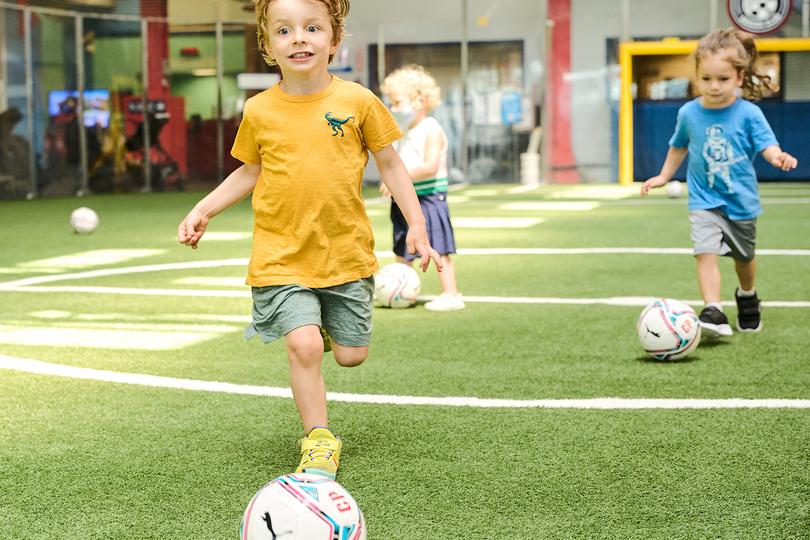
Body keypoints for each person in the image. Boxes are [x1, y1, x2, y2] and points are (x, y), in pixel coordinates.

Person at [177, 0, 442, 480]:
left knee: (350, 355)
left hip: (345, 254)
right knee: (303, 347)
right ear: (268, 46)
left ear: (334, 40)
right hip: (280, 256)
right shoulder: (259, 110)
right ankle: (318, 439)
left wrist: (417, 224)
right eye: (284, 30)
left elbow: (391, 164)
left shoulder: (359, 101)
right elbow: (249, 171)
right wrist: (204, 208)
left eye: (312, 28)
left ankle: (320, 326)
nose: (299, 38)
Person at [640, 27, 797, 339]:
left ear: (739, 78)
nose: (714, 86)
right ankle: (714, 310)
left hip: (741, 202)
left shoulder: (749, 113)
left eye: (723, 79)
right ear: (697, 75)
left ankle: (748, 295)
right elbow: (679, 145)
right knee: (705, 252)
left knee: (744, 259)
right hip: (704, 199)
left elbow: (768, 145)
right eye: (706, 78)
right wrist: (664, 175)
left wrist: (777, 157)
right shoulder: (688, 113)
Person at [379, 65, 465, 311]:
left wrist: (399, 179)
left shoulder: (431, 128)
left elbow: (429, 165)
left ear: (420, 101)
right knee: (402, 243)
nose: (394, 109)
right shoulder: (401, 131)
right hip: (405, 199)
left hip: (429, 197)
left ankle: (451, 293)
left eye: (397, 103)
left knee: (438, 244)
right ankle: (399, 284)